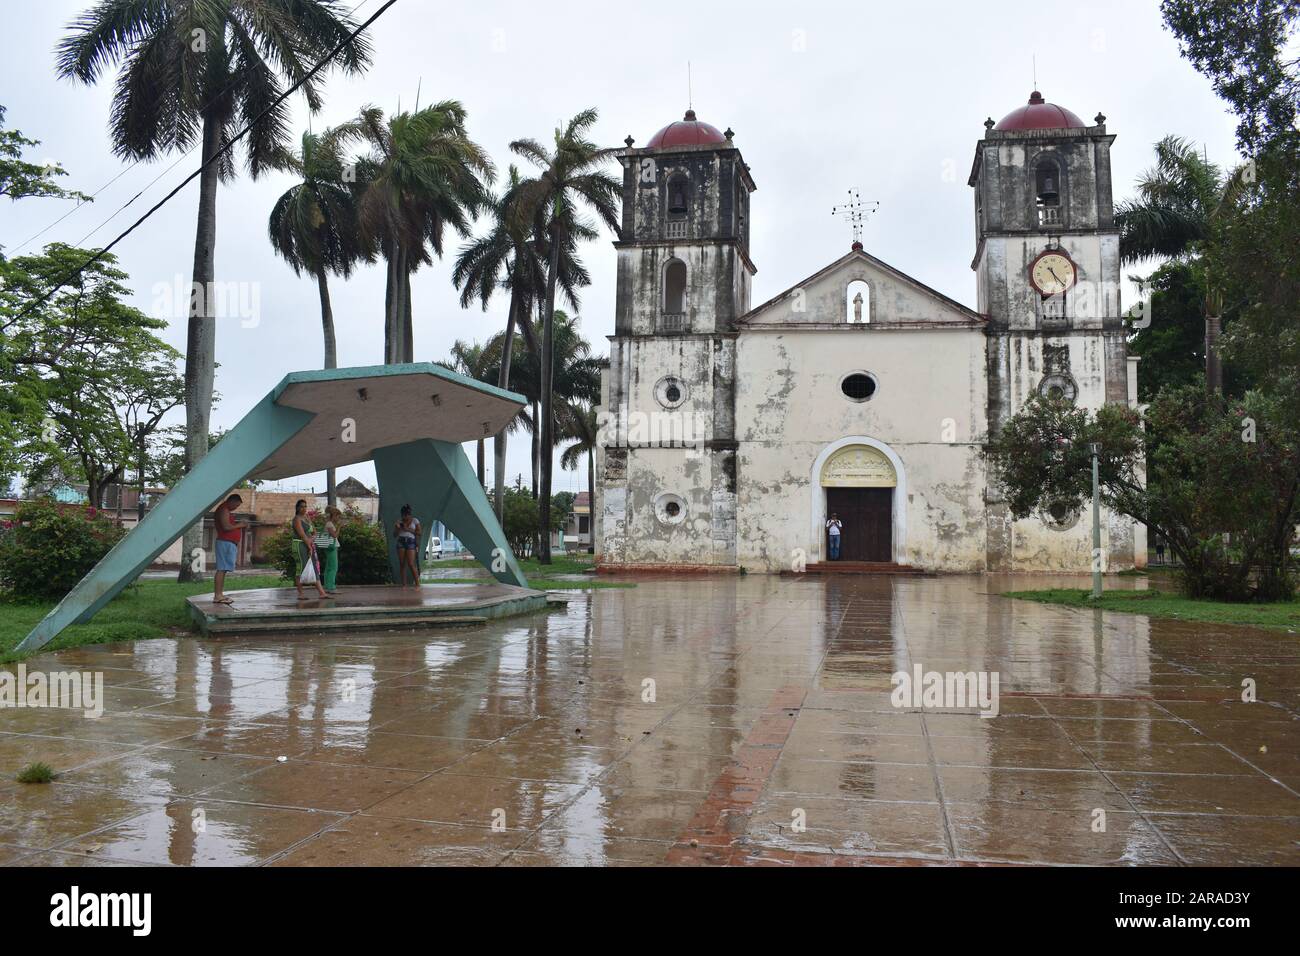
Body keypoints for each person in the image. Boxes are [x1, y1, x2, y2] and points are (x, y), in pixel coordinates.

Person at [212, 493, 249, 605]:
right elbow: (226, 527)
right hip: (225, 542)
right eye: (236, 505)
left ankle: (220, 594)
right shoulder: (224, 509)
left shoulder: (226, 510)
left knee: (223, 570)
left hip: (228, 543)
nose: (235, 508)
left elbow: (228, 525)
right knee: (221, 569)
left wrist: (237, 524)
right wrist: (241, 525)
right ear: (231, 501)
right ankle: (217, 595)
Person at [292, 499, 329, 601]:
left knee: (314, 567)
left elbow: (314, 532)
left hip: (309, 545)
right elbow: (302, 535)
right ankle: (300, 593)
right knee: (301, 568)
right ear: (297, 508)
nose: (304, 508)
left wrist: (312, 540)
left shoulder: (307, 518)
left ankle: (322, 593)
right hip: (300, 545)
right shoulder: (296, 519)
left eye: (305, 506)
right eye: (301, 506)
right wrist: (309, 546)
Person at [394, 504, 421, 588]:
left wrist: (408, 529)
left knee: (411, 563)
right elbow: (394, 535)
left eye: (407, 515)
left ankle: (417, 584)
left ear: (410, 514)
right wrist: (398, 528)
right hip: (401, 541)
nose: (406, 517)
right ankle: (404, 584)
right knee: (402, 563)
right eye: (404, 515)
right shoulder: (399, 522)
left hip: (411, 542)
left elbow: (419, 533)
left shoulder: (415, 521)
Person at [318, 506, 342, 594]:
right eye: (338, 516)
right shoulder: (329, 524)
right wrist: (339, 527)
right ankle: (331, 587)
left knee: (329, 567)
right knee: (333, 567)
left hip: (329, 547)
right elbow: (335, 536)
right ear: (334, 515)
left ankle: (327, 586)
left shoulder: (328, 523)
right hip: (331, 547)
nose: (338, 518)